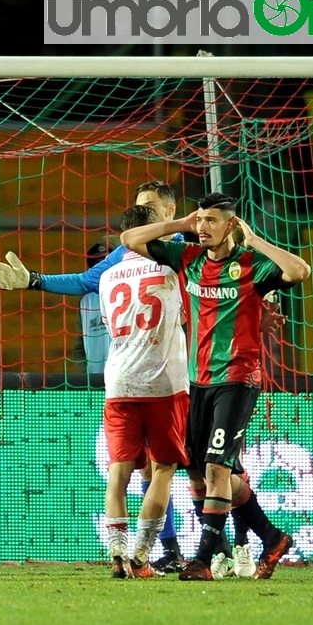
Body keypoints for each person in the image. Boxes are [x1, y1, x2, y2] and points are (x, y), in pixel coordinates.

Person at [0, 181, 189, 572]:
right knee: (164, 468)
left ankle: (152, 551)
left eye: (150, 207)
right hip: (169, 377)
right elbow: (82, 281)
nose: (145, 215)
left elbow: (87, 283)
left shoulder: (179, 245)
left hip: (133, 378)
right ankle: (161, 551)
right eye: (140, 208)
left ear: (168, 211)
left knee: (141, 470)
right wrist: (35, 280)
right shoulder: (161, 255)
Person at [122, 192, 308, 581]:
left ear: (230, 225)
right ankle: (271, 538)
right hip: (197, 382)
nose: (203, 226)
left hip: (238, 380)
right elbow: (130, 240)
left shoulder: (251, 266)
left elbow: (300, 271)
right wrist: (180, 225)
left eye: (211, 220)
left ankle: (204, 560)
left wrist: (254, 240)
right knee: (199, 472)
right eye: (200, 219)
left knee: (215, 467)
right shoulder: (187, 258)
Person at [96, 206, 189, 579]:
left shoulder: (108, 275)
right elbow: (186, 316)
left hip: (119, 382)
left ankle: (116, 551)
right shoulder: (172, 269)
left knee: (119, 472)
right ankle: (142, 553)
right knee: (163, 470)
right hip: (165, 384)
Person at [80, 239, 113, 377]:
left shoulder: (133, 292)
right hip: (95, 382)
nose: (100, 267)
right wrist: (83, 378)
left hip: (127, 379)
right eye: (96, 263)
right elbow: (79, 346)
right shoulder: (86, 301)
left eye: (104, 262)